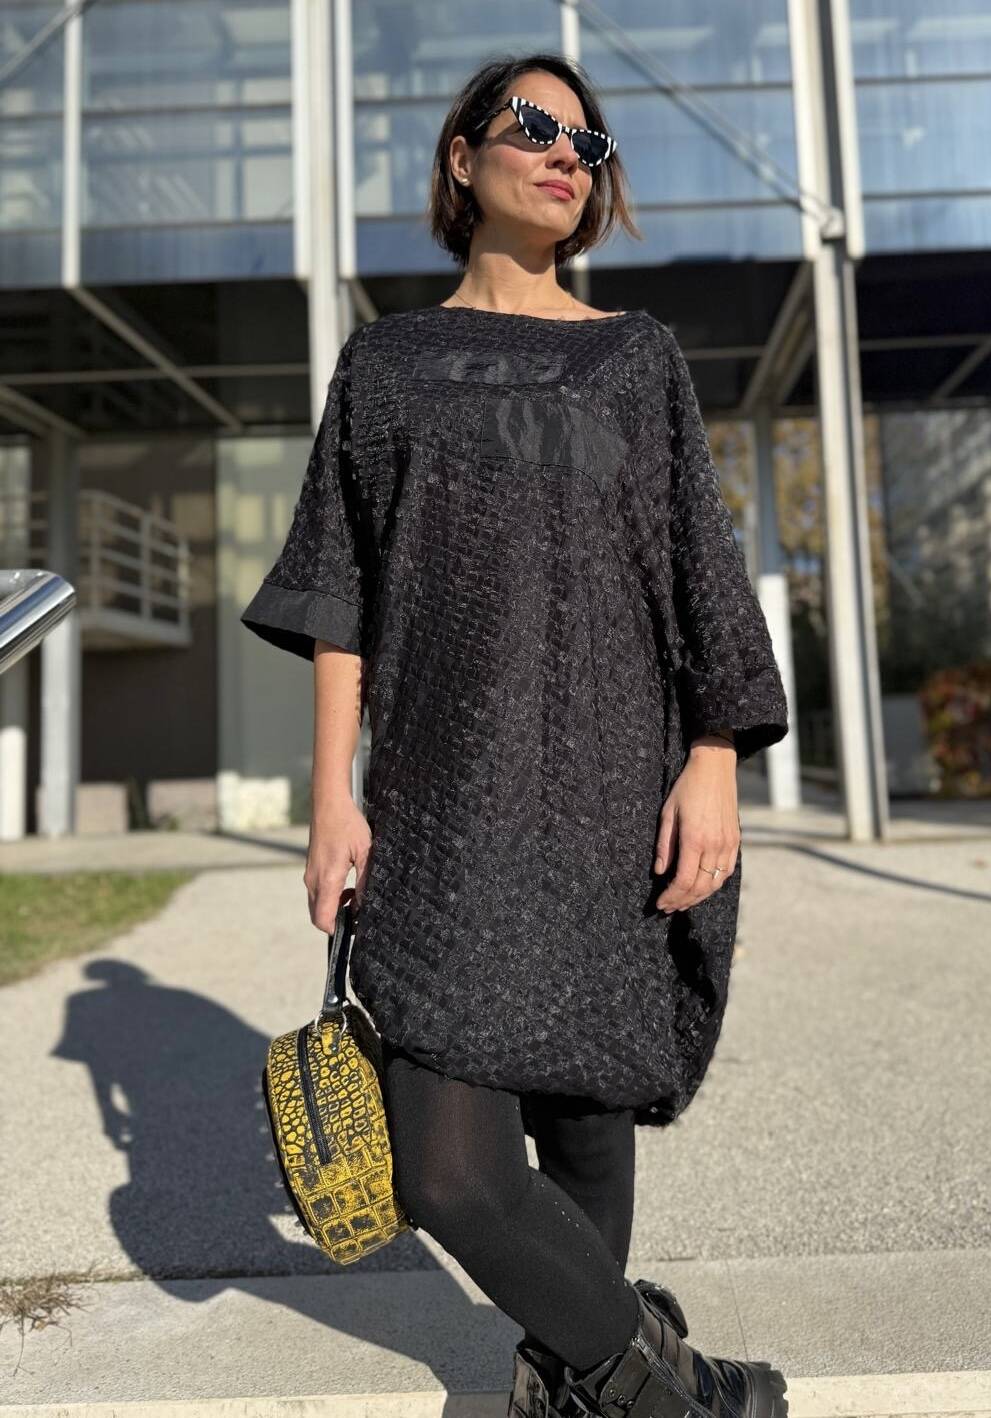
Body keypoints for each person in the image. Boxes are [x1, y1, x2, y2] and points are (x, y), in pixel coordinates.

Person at [241, 50, 790, 1418]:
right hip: (441, 805)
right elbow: (340, 590)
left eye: (588, 144)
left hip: (612, 788)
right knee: (452, 1172)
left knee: (587, 1119)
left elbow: (698, 566)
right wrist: (332, 793)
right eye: (535, 125)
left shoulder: (633, 356)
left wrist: (715, 756)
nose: (564, 154)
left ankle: (576, 1385)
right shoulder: (385, 364)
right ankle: (677, 1390)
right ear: (461, 157)